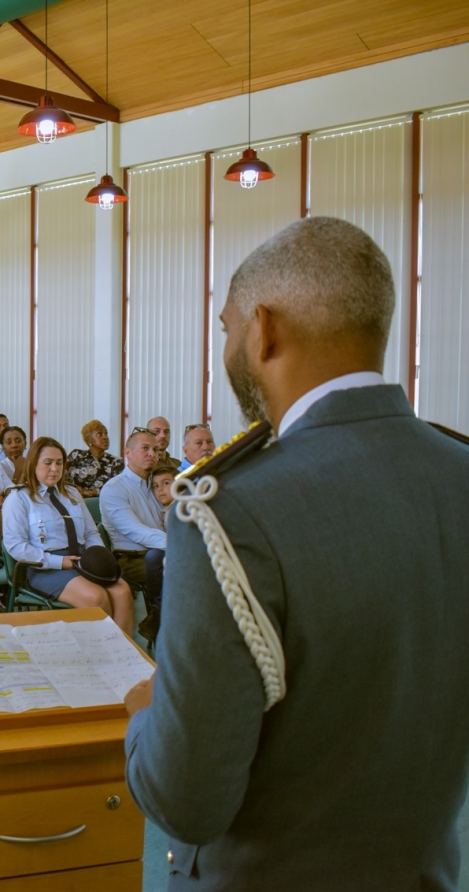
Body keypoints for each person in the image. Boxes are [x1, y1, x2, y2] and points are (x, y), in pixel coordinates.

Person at [122, 216, 469, 890]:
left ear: (264, 327)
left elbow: (187, 801)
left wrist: (144, 717)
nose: (228, 346)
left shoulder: (229, 510)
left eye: (227, 328)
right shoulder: (456, 473)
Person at [2, 437, 134, 634]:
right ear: (33, 463)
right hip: (45, 567)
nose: (55, 469)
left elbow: (90, 532)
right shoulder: (19, 498)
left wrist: (95, 557)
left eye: (59, 463)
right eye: (48, 463)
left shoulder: (71, 493)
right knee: (95, 597)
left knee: (123, 592)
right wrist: (58, 562)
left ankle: (125, 656)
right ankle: (101, 658)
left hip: (83, 561)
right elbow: (16, 547)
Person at [99, 428, 165, 640]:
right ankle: (166, 628)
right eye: (145, 448)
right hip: (131, 558)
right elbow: (137, 532)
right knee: (186, 572)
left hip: (159, 554)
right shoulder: (114, 489)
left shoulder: (157, 485)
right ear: (127, 452)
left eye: (155, 449)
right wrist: (180, 544)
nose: (152, 454)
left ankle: (158, 616)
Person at [66, 420, 124, 497]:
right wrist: (74, 488)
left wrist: (95, 492)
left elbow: (119, 488)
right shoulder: (77, 455)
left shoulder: (116, 461)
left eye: (106, 434)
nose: (105, 437)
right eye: (99, 434)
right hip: (74, 500)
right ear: (89, 439)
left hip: (102, 503)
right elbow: (61, 476)